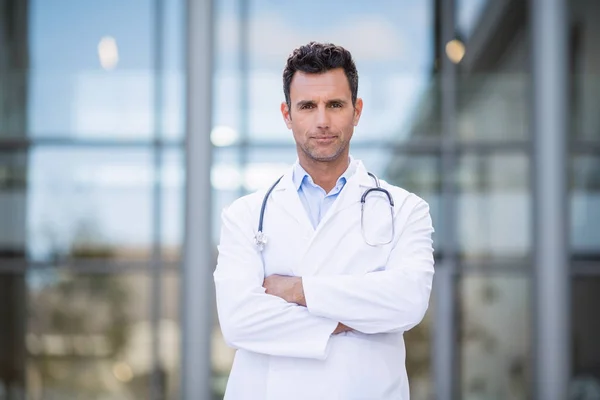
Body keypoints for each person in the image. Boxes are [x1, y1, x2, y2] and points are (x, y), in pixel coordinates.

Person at [213, 41, 435, 400]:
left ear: (356, 111)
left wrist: (297, 290)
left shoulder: (406, 210)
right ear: (287, 115)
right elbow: (239, 322)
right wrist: (356, 320)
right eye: (307, 106)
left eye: (335, 104)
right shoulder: (245, 215)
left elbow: (407, 302)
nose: (322, 120)